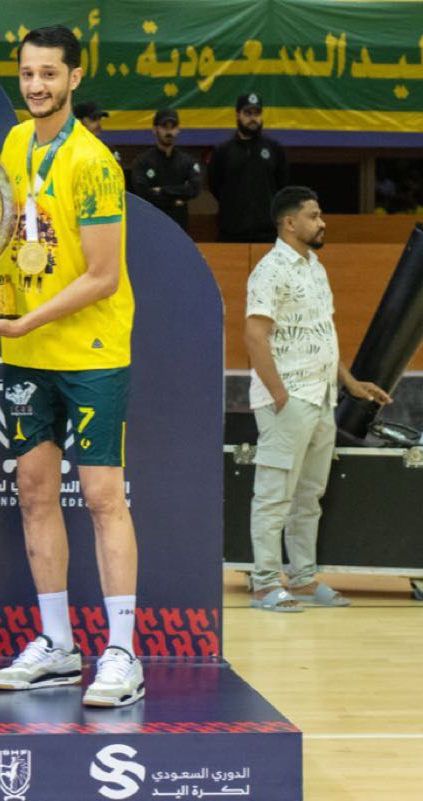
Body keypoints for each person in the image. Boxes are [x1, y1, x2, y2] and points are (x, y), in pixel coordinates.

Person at [0, 25, 142, 707]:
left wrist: (25, 320)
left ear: (75, 77)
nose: (36, 85)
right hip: (26, 353)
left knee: (102, 496)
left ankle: (122, 652)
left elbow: (103, 275)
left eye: (49, 74)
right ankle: (58, 644)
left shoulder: (95, 162)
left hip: (89, 353)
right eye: (28, 74)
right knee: (34, 491)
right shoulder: (14, 143)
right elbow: (7, 222)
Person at [244, 186, 390, 611]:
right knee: (274, 495)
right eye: (314, 215)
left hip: (321, 397)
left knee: (308, 497)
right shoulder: (270, 270)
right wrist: (279, 395)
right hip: (289, 400)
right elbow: (254, 335)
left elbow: (320, 335)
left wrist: (350, 383)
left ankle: (303, 579)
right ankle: (264, 584)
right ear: (290, 222)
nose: (322, 222)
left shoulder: (315, 266)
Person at [209, 92, 288, 242]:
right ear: (237, 114)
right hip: (232, 233)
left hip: (267, 233)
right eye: (247, 113)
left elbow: (281, 185)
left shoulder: (274, 148)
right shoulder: (223, 151)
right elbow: (215, 186)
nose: (253, 118)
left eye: (256, 113)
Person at [130, 108, 202, 231]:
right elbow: (143, 194)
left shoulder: (187, 161)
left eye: (173, 127)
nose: (169, 132)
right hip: (151, 225)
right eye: (164, 127)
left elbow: (194, 189)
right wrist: (175, 201)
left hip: (179, 227)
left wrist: (163, 190)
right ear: (154, 129)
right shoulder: (142, 161)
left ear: (178, 130)